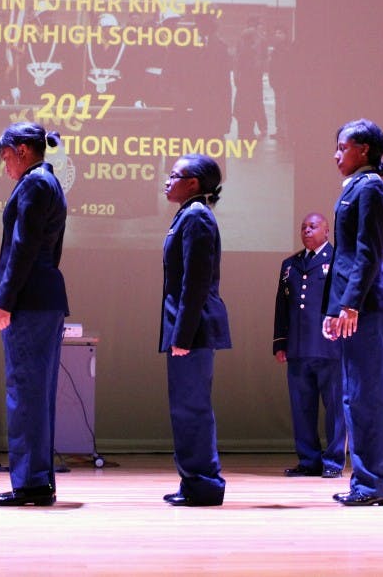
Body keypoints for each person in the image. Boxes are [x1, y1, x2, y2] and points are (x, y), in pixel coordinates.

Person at [322, 119, 383, 506]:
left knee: (367, 397)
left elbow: (369, 253)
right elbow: (344, 257)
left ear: (364, 150)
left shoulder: (370, 187)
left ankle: (375, 485)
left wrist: (350, 303)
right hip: (355, 306)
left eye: (343, 147)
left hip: (369, 308)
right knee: (354, 397)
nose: (336, 154)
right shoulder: (355, 188)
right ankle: (365, 483)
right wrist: (333, 307)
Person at [0, 121, 69, 507]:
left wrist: (4, 299)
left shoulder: (36, 183)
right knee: (35, 393)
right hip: (43, 296)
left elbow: (23, 247)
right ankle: (37, 479)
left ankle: (32, 483)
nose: (5, 166)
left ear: (22, 150)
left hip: (30, 300)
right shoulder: (47, 181)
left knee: (25, 392)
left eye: (6, 156)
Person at [159, 153, 231, 507]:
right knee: (185, 408)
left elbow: (196, 283)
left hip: (194, 329)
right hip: (187, 328)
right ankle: (194, 481)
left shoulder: (197, 217)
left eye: (174, 175)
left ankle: (203, 484)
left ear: (194, 183)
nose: (166, 180)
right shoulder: (188, 214)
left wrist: (183, 335)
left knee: (192, 408)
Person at [273, 212, 346, 479]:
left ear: (326, 232)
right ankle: (308, 460)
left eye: (313, 226)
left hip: (329, 346)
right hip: (299, 348)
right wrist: (280, 342)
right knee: (301, 407)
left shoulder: (338, 260)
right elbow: (283, 305)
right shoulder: (290, 265)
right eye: (303, 227)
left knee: (335, 408)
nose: (307, 230)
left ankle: (334, 461)